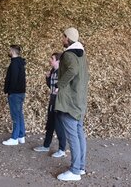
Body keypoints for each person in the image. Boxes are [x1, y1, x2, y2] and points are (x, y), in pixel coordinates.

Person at [55, 27, 89, 181]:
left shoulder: (68, 54)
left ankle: (75, 171)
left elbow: (72, 70)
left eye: (63, 37)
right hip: (79, 101)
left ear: (67, 38)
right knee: (79, 134)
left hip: (70, 103)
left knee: (73, 136)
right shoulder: (82, 54)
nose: (62, 39)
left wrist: (59, 85)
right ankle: (80, 167)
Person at [33, 52, 67, 158]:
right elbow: (51, 86)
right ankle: (46, 145)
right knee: (50, 124)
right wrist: (47, 78)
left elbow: (65, 87)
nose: (50, 60)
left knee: (59, 125)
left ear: (58, 61)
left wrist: (59, 91)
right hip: (52, 99)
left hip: (59, 101)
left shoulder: (63, 73)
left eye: (52, 58)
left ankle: (62, 149)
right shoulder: (53, 71)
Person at [2, 45, 26, 146]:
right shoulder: (20, 63)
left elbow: (13, 79)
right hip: (20, 92)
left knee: (15, 116)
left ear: (12, 51)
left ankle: (15, 138)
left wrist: (9, 90)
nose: (8, 51)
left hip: (15, 93)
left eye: (9, 50)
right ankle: (21, 136)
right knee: (19, 114)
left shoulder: (14, 63)